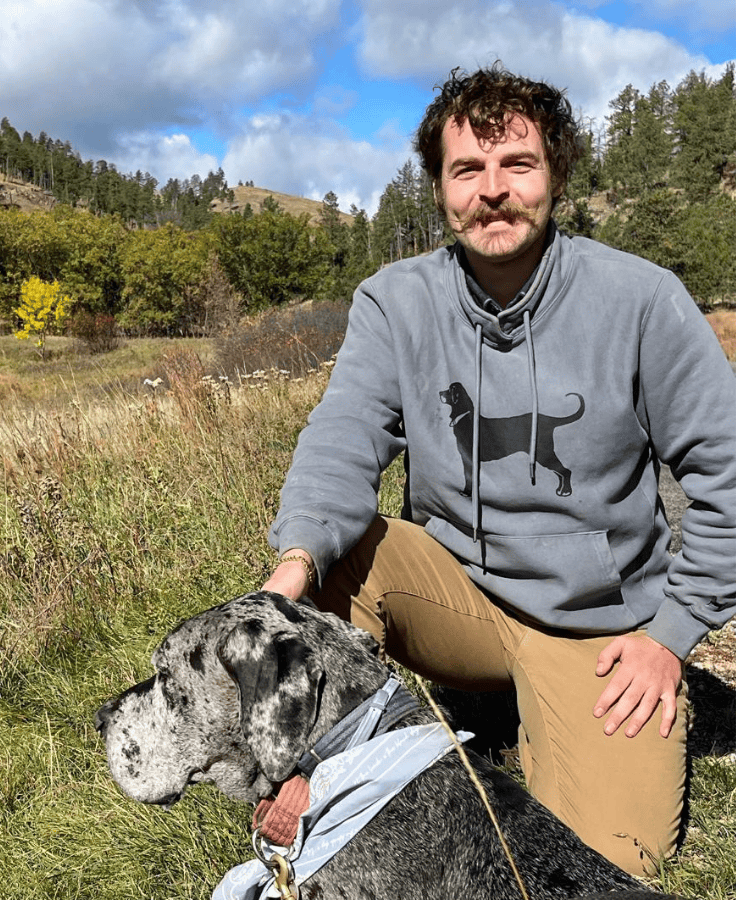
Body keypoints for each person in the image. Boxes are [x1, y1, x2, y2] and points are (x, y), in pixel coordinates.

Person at [262, 64, 736, 877]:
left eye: (517, 164)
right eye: (467, 170)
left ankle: (536, 718)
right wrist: (289, 570)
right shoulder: (394, 302)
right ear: (441, 189)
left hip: (594, 628)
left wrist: (672, 633)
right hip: (455, 597)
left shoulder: (643, 301)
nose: (493, 191)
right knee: (331, 565)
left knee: (611, 863)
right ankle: (307, 767)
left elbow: (728, 474)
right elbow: (342, 439)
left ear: (555, 173)